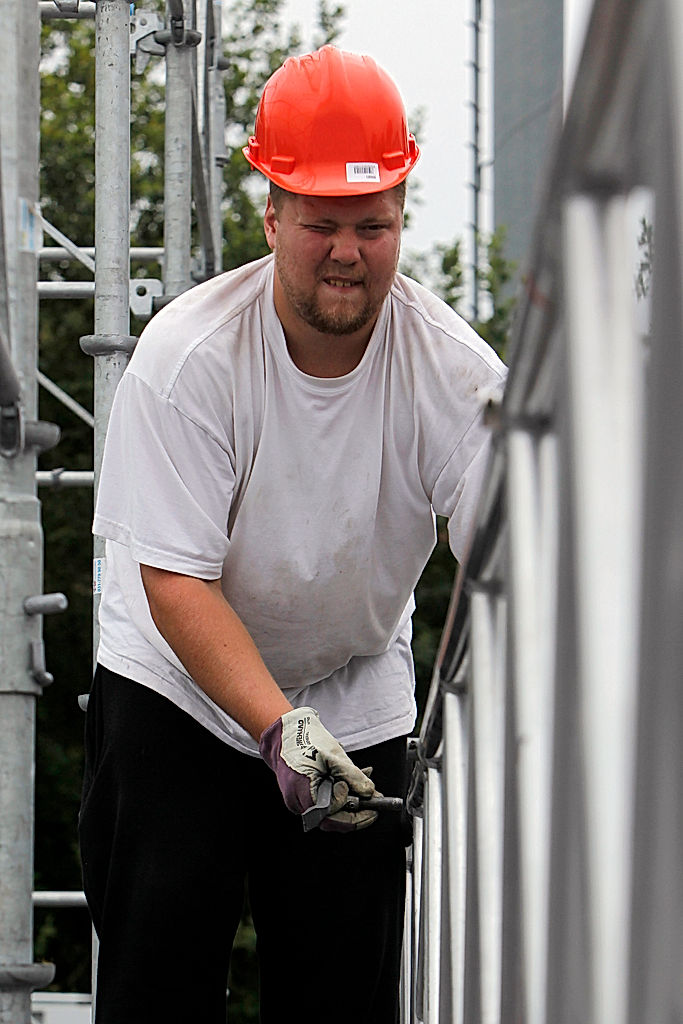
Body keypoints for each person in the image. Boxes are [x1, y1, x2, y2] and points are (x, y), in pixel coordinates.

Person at [79, 44, 506, 1024]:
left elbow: (514, 568)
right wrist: (277, 728)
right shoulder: (189, 359)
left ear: (402, 215)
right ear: (272, 216)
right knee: (159, 966)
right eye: (321, 223)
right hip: (177, 681)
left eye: (372, 225)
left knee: (341, 985)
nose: (347, 252)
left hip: (349, 684)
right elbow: (174, 583)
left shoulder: (453, 376)